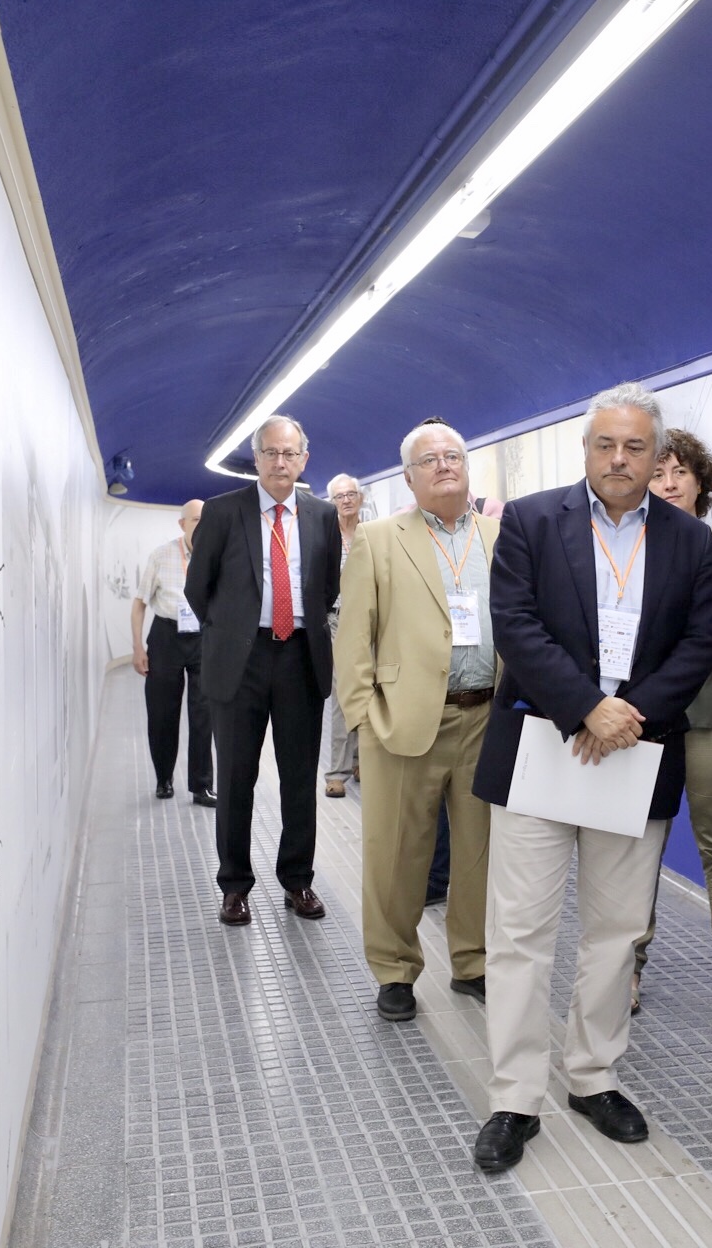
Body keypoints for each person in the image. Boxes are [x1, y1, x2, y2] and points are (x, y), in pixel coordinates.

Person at [468, 383, 712, 1172]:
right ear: (586, 449)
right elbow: (516, 625)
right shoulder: (532, 521)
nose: (618, 459)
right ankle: (515, 1097)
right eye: (605, 444)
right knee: (519, 933)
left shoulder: (689, 539)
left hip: (635, 754)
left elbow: (697, 641)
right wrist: (586, 708)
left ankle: (593, 1076)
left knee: (616, 930)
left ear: (658, 454)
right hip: (543, 748)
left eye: (635, 447)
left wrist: (627, 715)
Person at [334, 423, 499, 1022]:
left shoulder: (499, 536)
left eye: (453, 455)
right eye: (429, 460)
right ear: (408, 477)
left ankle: (473, 961)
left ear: (467, 467)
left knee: (480, 855)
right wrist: (363, 718)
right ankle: (395, 970)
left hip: (486, 717)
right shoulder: (378, 539)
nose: (443, 465)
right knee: (396, 855)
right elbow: (353, 638)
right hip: (402, 722)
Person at [184, 414, 343, 927]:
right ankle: (234, 886)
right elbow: (197, 586)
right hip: (241, 660)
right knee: (236, 778)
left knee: (299, 777)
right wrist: (230, 631)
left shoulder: (321, 515)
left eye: (289, 453)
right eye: (270, 452)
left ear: (304, 459)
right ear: (255, 459)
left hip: (300, 657)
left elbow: (329, 586)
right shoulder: (222, 511)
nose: (280, 461)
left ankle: (298, 881)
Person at [633, 430, 712, 1017]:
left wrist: (666, 632)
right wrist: (707, 630)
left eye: (680, 472)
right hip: (641, 720)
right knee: (637, 845)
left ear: (700, 482)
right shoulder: (630, 544)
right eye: (658, 473)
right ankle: (628, 965)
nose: (668, 483)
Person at [131, 499, 216, 806]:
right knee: (162, 712)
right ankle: (164, 778)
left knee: (204, 713)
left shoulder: (217, 555)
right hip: (166, 636)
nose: (202, 525)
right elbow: (139, 603)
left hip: (203, 637)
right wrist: (138, 647)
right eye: (195, 520)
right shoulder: (161, 555)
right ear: (182, 524)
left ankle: (201, 786)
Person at [323, 473, 364, 799]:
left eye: (351, 494)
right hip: (337, 620)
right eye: (340, 496)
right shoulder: (326, 535)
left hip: (369, 620)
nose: (346, 500)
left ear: (360, 498)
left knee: (370, 690)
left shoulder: (371, 533)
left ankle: (361, 759)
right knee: (342, 693)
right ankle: (337, 771)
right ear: (332, 502)